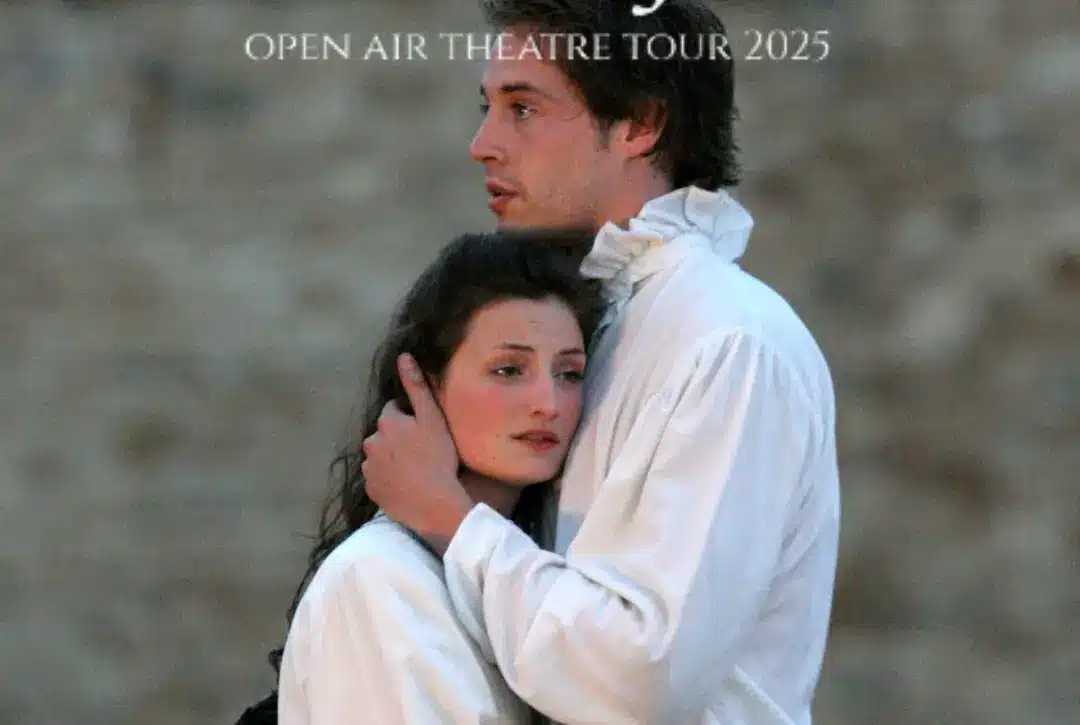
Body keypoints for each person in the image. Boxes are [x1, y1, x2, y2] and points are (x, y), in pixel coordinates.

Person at [359, 1, 842, 724]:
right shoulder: (600, 323)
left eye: (523, 109)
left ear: (641, 124)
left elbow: (638, 680)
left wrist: (452, 521)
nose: (482, 144)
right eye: (487, 107)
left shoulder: (728, 341)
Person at [251, 230, 606, 725]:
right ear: (424, 385)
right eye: (509, 369)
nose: (548, 402)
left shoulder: (535, 569)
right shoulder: (380, 576)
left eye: (569, 373)